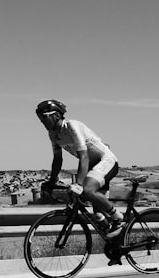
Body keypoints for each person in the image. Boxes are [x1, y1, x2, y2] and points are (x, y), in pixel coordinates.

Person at [35, 99, 124, 238]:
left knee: (87, 190)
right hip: (93, 167)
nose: (43, 122)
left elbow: (84, 157)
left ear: (57, 115)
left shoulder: (71, 126)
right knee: (98, 214)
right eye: (40, 120)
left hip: (106, 161)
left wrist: (78, 184)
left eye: (45, 118)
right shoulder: (53, 134)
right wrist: (52, 181)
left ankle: (119, 218)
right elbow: (57, 160)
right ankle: (115, 244)